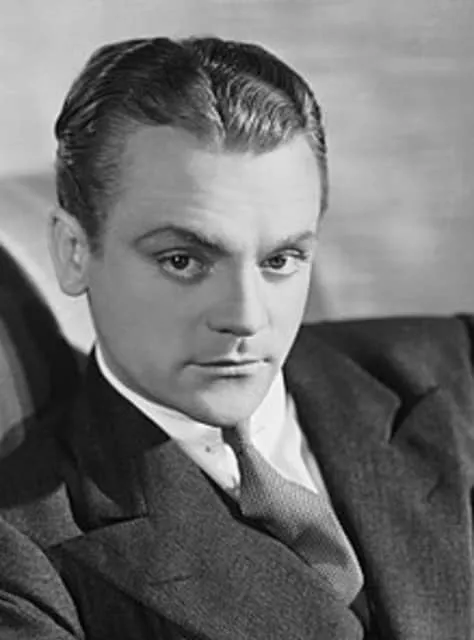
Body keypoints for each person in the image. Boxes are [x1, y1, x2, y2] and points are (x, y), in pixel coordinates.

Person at [0, 35, 474, 640]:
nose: (246, 318)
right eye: (182, 261)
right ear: (73, 252)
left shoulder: (456, 373)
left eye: (280, 260)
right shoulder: (23, 547)